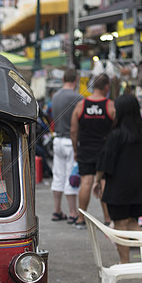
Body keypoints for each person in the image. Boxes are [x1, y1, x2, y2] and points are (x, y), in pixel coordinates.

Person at [93, 94, 142, 264]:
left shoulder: (117, 135)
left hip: (121, 186)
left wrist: (97, 181)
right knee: (134, 222)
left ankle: (125, 261)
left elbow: (105, 161)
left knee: (121, 224)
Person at [71, 73, 115, 229]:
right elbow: (115, 130)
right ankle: (108, 219)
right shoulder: (110, 106)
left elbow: (74, 132)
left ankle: (80, 219)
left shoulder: (81, 105)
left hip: (85, 149)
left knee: (86, 182)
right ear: (106, 87)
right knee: (103, 182)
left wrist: (76, 150)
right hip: (104, 150)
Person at [49, 68, 82, 223]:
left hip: (58, 140)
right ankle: (73, 213)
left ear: (63, 79)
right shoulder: (78, 98)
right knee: (71, 176)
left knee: (58, 176)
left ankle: (56, 211)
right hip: (71, 141)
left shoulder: (55, 97)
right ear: (75, 80)